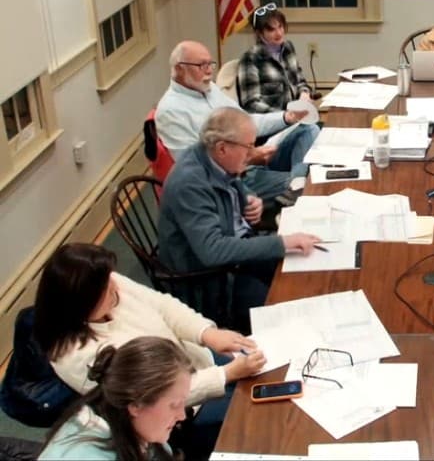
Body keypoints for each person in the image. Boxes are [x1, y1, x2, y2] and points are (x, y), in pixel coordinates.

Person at [32, 244, 266, 460]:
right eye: (105, 288)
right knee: (255, 418)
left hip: (193, 364)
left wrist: (207, 333)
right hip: (177, 408)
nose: (115, 285)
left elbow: (163, 305)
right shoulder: (74, 356)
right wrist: (225, 375)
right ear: (81, 302)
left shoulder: (107, 282)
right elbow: (153, 398)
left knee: (267, 379)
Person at [158, 107, 320, 332]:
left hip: (237, 252)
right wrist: (281, 243)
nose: (253, 153)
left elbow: (230, 180)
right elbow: (213, 251)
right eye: (249, 146)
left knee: (308, 272)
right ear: (222, 148)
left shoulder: (211, 156)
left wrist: (248, 197)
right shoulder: (188, 184)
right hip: (212, 280)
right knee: (286, 314)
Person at [155, 40, 319, 202]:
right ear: (179, 69)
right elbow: (193, 167)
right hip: (230, 181)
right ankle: (298, 184)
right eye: (201, 66)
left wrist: (287, 117)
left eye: (210, 64)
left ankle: (296, 183)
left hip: (251, 163)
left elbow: (247, 122)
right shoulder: (170, 110)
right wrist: (248, 157)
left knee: (308, 128)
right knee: (314, 184)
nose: (209, 72)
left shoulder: (210, 89)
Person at [39, 336, 192, 460]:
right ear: (136, 405)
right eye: (174, 404)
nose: (182, 415)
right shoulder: (82, 455)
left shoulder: (140, 428)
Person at [238, 3, 313, 114]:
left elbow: (300, 82)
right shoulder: (250, 59)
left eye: (280, 27)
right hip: (272, 123)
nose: (278, 33)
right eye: (271, 30)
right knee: (314, 130)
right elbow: (250, 104)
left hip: (295, 117)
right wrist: (283, 117)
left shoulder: (288, 48)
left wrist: (304, 94)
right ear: (259, 33)